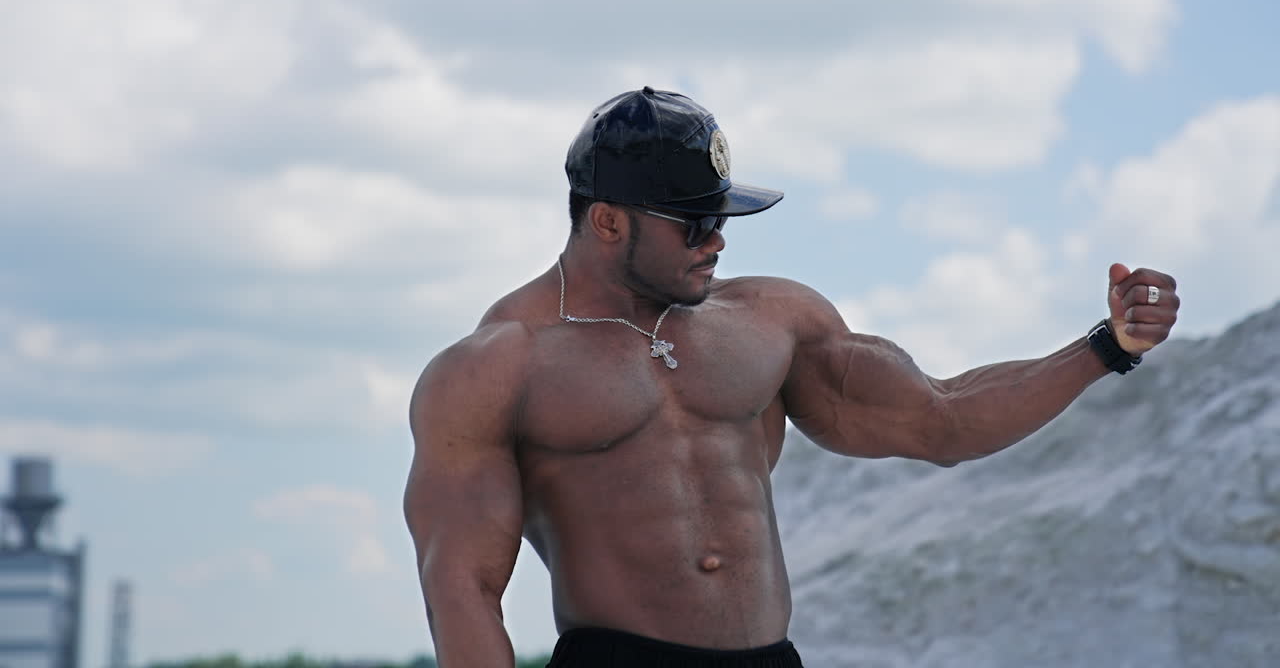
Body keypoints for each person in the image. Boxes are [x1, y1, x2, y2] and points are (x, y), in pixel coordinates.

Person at [402, 87, 1181, 667]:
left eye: (724, 217)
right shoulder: (497, 366)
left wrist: (1105, 347)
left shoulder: (769, 320)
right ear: (608, 221)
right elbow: (463, 589)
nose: (718, 242)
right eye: (696, 223)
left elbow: (943, 419)